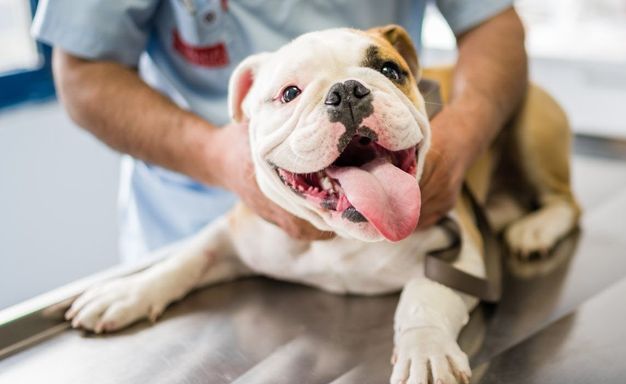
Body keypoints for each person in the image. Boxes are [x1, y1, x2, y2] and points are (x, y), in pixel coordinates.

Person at [33, 0, 527, 262]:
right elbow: (82, 72)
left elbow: (491, 20)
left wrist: (462, 133)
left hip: (397, 206)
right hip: (194, 227)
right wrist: (218, 156)